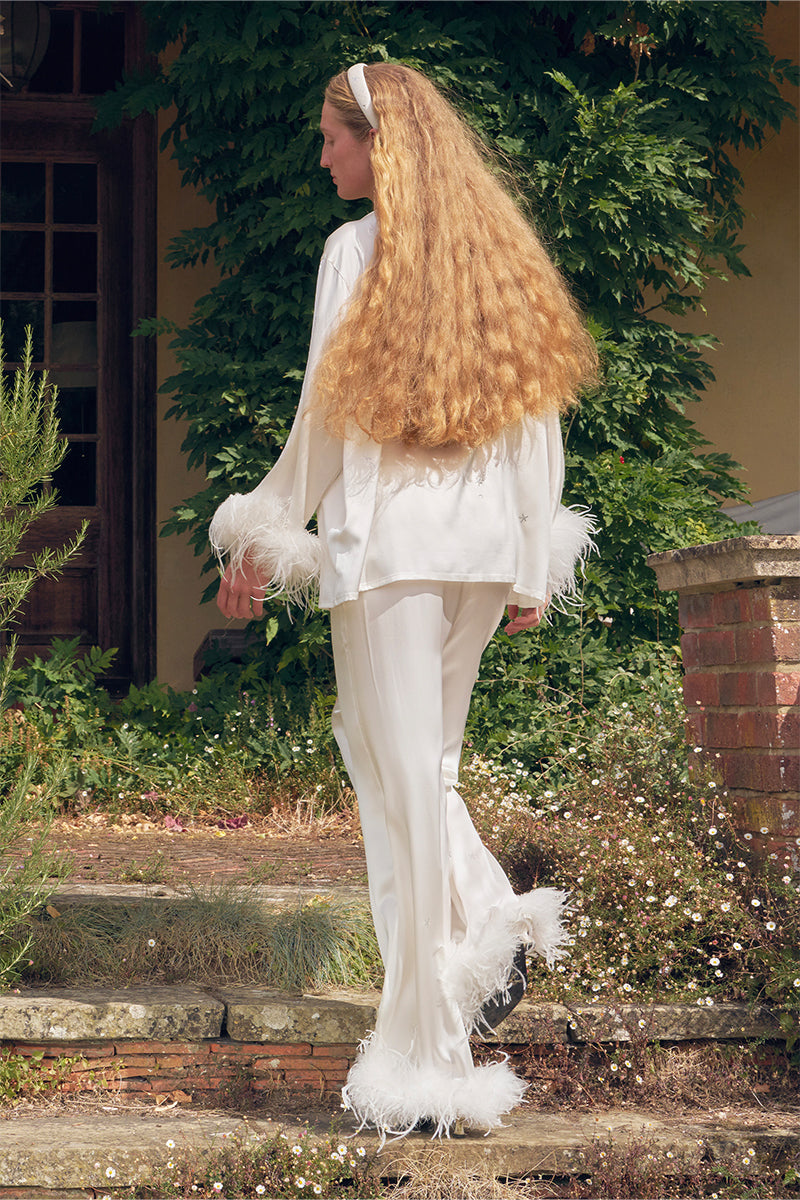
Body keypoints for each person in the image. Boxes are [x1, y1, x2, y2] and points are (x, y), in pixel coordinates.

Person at [212, 62, 597, 1142]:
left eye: (333, 138)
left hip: (390, 556)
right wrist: (527, 558)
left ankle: (430, 1053)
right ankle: (478, 935)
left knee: (394, 776)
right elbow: (536, 426)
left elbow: (322, 420)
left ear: (378, 143)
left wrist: (259, 531)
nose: (322, 155)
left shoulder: (354, 252)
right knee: (411, 769)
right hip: (473, 555)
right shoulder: (493, 254)